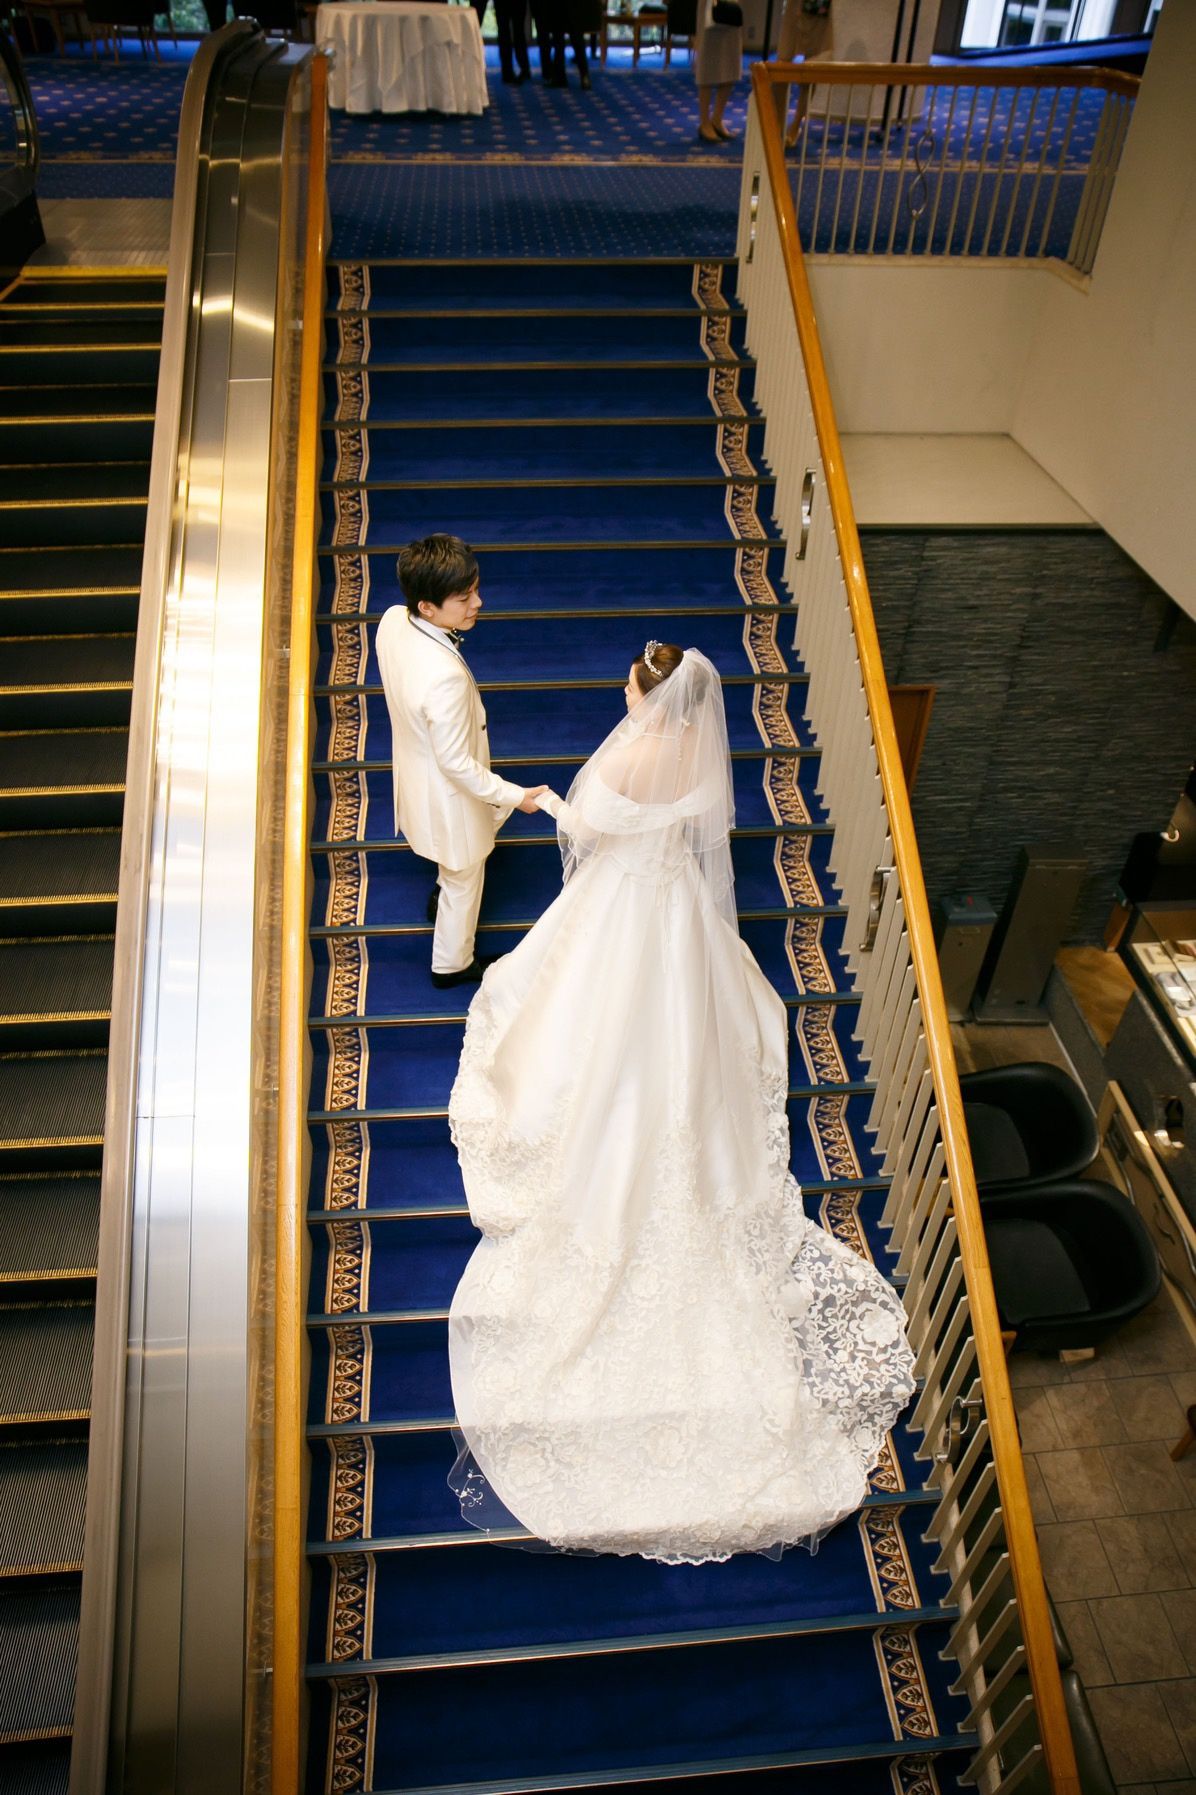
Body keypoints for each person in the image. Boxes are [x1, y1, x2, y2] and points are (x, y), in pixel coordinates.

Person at [446, 644, 915, 1563]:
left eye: (630, 682)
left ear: (644, 695)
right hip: (676, 919)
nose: (623, 690)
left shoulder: (629, 755)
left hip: (623, 911)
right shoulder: (699, 750)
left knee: (568, 1033)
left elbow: (587, 833)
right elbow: (699, 833)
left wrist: (557, 807)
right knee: (690, 1043)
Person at [374, 535, 546, 989]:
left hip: (416, 776)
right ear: (427, 607)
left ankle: (443, 880)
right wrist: (517, 796)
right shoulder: (444, 678)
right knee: (464, 876)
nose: (478, 603)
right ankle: (452, 963)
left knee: (463, 849)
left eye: (475, 590)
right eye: (464, 597)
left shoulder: (393, 620)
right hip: (447, 797)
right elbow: (456, 764)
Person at [775, 0, 833, 148]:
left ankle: (795, 126)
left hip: (821, 11)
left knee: (811, 71)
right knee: (782, 66)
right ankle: (777, 125)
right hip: (795, 7)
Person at [694, 0, 741, 144]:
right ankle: (705, 122)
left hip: (731, 6)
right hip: (710, 7)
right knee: (707, 63)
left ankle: (717, 118)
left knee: (731, 63)